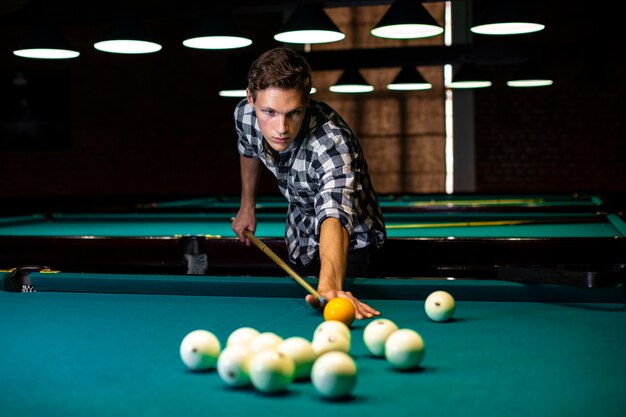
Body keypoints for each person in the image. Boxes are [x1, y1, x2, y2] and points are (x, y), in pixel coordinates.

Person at [231, 46, 386, 320]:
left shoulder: (331, 143)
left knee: (331, 299)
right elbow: (248, 149)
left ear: (307, 102)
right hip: (299, 232)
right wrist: (247, 206)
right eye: (269, 112)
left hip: (353, 242)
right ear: (250, 99)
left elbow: (333, 216)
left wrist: (329, 285)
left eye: (294, 113)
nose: (281, 128)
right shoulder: (245, 116)